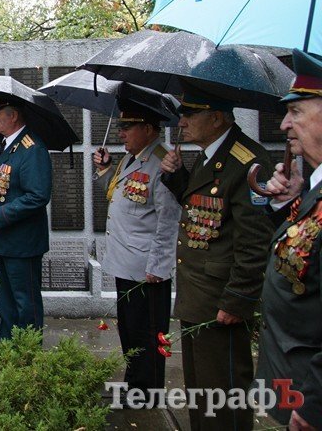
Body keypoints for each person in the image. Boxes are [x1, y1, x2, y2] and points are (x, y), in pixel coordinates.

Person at [160, 90, 274, 431]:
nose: (181, 121)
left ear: (217, 118)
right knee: (201, 393)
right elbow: (203, 212)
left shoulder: (247, 162)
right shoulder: (209, 156)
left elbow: (255, 239)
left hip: (220, 301)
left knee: (222, 394)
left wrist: (237, 299)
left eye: (190, 114)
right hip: (198, 295)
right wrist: (177, 175)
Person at [92, 104, 181, 396]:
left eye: (128, 127)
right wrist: (105, 169)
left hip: (146, 269)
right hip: (126, 262)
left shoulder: (162, 161)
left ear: (148, 129)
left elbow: (168, 220)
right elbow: (118, 194)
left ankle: (147, 392)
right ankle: (135, 383)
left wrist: (158, 266)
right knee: (130, 331)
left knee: (147, 333)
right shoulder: (131, 160)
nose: (122, 133)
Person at [256, 49, 322, 431]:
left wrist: (316, 405)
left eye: (296, 112)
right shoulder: (313, 189)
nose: (283, 125)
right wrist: (287, 206)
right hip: (290, 379)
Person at [0, 100, 52, 340]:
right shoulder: (8, 147)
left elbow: (38, 196)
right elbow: (5, 190)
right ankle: (8, 351)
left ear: (12, 115)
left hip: (22, 243)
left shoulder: (32, 149)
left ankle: (27, 357)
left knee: (25, 304)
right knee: (6, 303)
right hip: (4, 241)